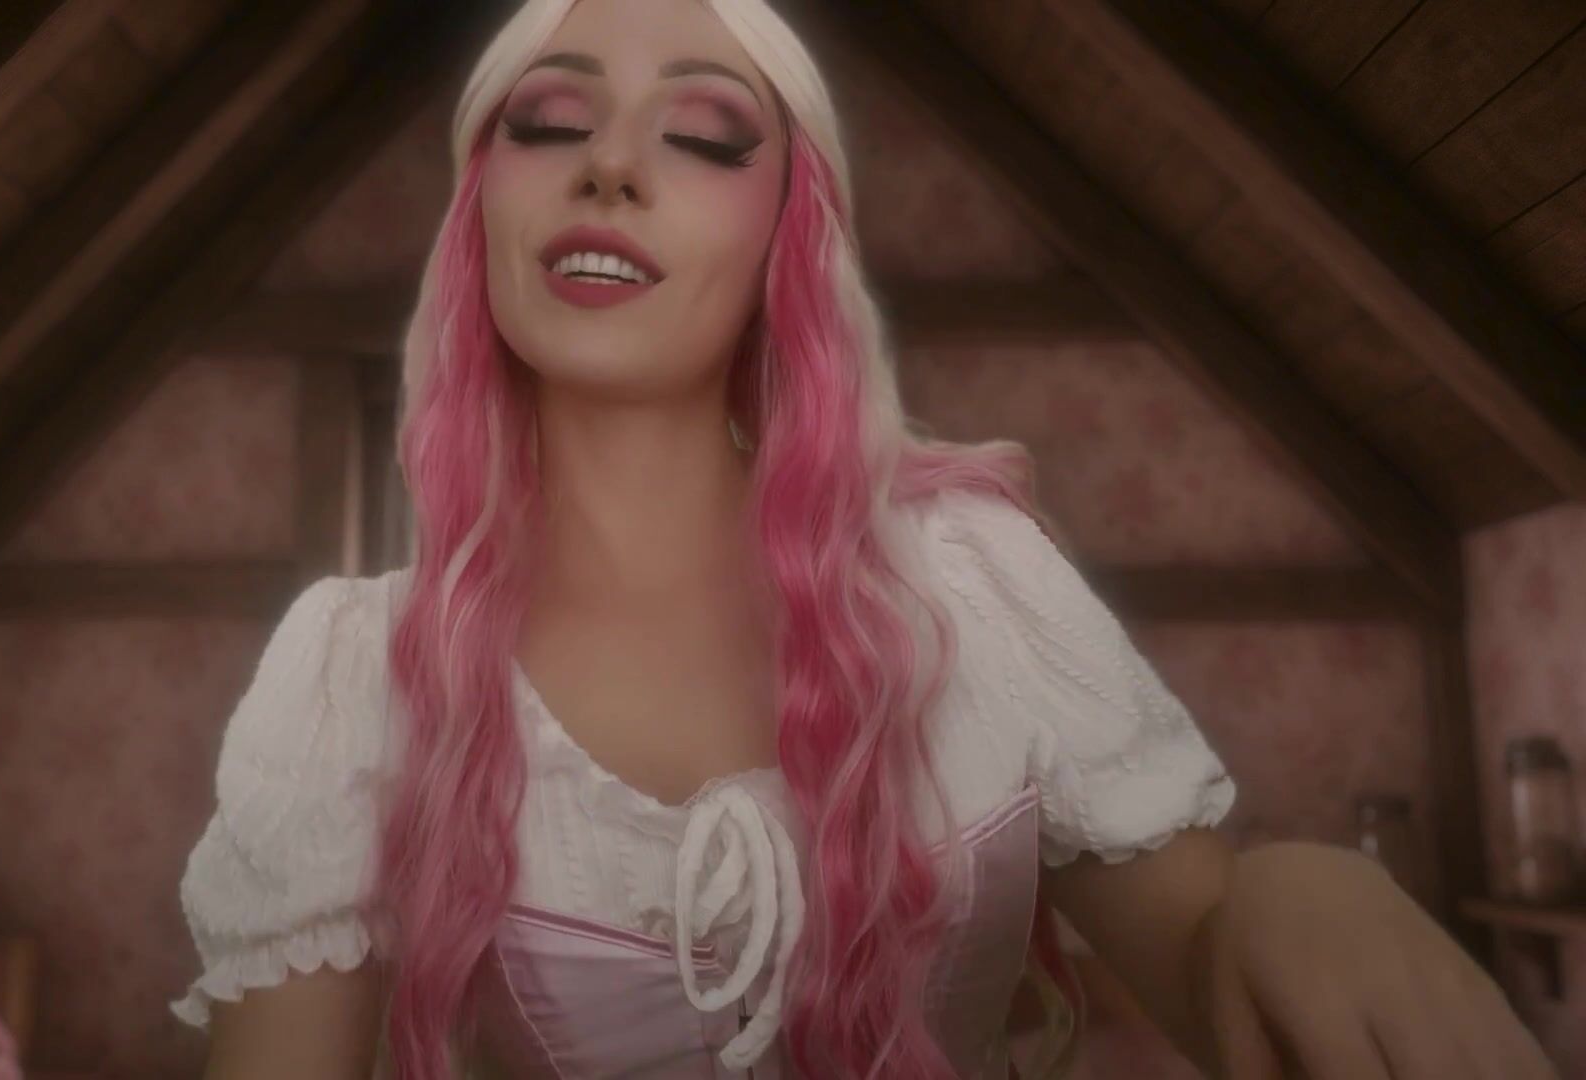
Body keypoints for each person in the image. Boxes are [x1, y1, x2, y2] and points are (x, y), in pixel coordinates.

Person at [168, 1, 1557, 1077]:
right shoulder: (352, 678)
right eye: (548, 121)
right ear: (483, 209)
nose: (609, 166)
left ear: (791, 226)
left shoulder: (978, 585)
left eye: (704, 134)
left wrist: (1295, 893)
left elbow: (1204, 946)